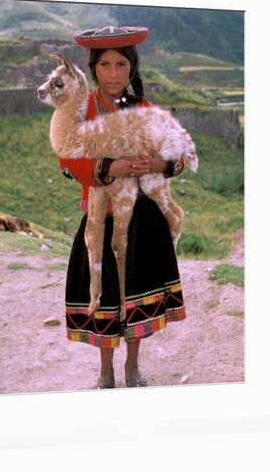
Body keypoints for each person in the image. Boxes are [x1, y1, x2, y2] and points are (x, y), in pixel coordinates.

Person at [58, 26, 186, 389]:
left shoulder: (144, 109)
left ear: (131, 69)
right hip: (102, 217)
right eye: (105, 65)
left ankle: (132, 365)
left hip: (143, 219)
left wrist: (160, 165)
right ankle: (105, 370)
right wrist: (108, 168)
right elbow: (67, 161)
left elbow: (174, 153)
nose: (113, 73)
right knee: (105, 299)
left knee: (137, 298)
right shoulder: (81, 110)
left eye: (121, 65)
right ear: (93, 69)